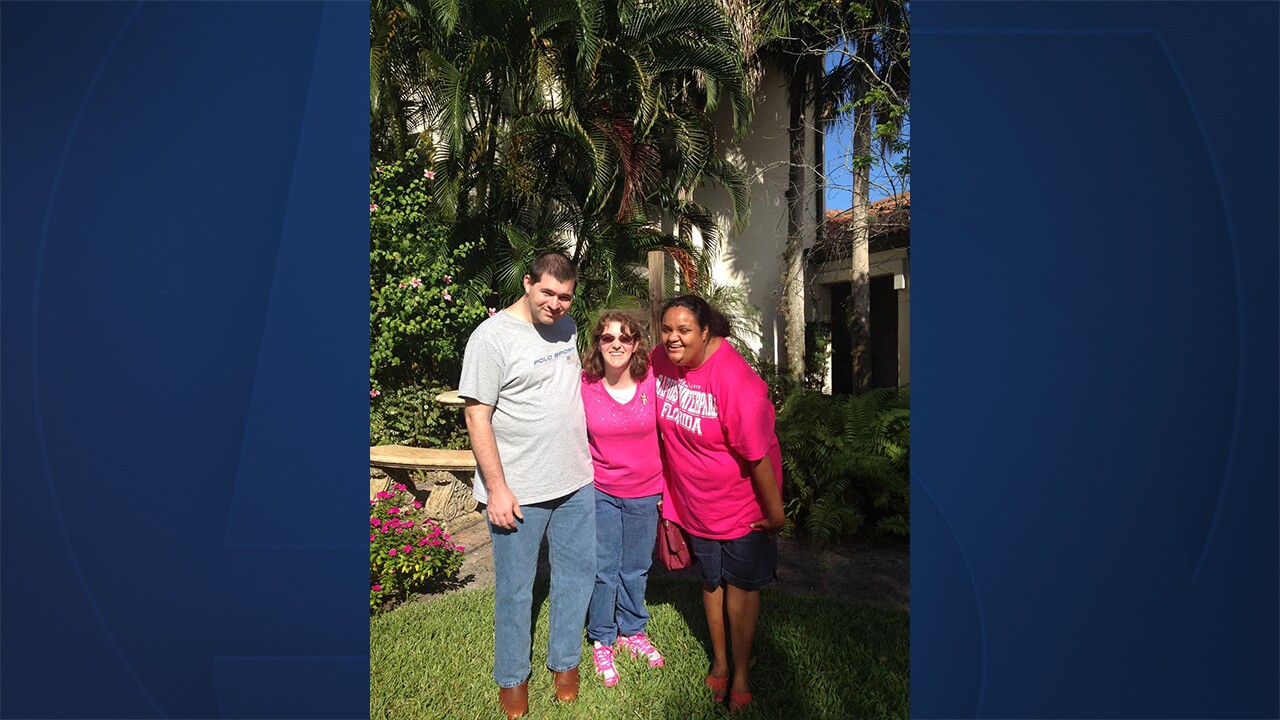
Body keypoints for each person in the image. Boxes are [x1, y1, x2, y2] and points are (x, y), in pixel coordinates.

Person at [458, 251, 596, 720]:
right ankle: (513, 679)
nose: (556, 305)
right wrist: (496, 488)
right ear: (527, 283)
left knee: (576, 577)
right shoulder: (491, 338)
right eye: (547, 293)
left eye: (565, 297)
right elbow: (477, 414)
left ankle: (565, 664)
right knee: (516, 590)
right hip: (518, 491)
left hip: (577, 481)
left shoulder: (569, 327)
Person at [649, 295, 786, 713]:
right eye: (668, 329)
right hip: (695, 504)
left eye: (684, 330)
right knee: (711, 581)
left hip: (743, 507)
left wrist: (776, 512)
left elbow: (758, 453)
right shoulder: (660, 359)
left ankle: (742, 672)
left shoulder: (734, 381)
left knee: (740, 588)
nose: (673, 339)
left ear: (706, 331)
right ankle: (721, 662)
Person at [579, 311, 665, 688]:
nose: (616, 344)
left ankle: (633, 630)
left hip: (646, 491)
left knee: (635, 565)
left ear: (636, 345)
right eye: (608, 338)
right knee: (603, 568)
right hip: (602, 492)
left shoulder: (652, 381)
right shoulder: (585, 384)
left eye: (625, 338)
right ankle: (602, 636)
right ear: (598, 344)